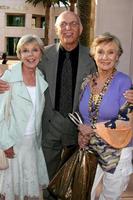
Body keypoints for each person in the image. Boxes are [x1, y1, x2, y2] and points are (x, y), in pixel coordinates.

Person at [0, 11, 133, 200]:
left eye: (73, 24)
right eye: (63, 24)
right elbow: (24, 65)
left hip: (79, 131)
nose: (68, 28)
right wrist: (2, 80)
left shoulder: (92, 56)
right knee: (46, 180)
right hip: (49, 128)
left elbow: (111, 79)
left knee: (75, 182)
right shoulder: (42, 53)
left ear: (80, 29)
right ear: (56, 29)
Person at [78, 32, 133, 200]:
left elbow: (126, 121)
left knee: (110, 196)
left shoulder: (124, 82)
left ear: (118, 56)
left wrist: (92, 129)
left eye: (111, 52)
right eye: (100, 51)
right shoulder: (87, 81)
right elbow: (85, 115)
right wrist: (81, 133)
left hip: (118, 149)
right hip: (91, 148)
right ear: (93, 54)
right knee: (86, 192)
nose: (105, 57)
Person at [0, 34, 49, 200]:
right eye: (25, 51)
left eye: (35, 50)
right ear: (19, 55)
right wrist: (6, 143)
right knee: (12, 191)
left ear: (41, 54)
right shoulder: (8, 78)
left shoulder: (41, 77)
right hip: (13, 145)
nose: (30, 55)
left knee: (29, 191)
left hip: (32, 145)